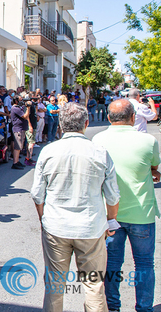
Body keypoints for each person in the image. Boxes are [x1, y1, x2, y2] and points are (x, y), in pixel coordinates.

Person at [30, 102, 120, 312]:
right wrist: (110, 220)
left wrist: (43, 220)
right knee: (94, 284)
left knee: (54, 284)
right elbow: (113, 196)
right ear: (86, 124)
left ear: (60, 125)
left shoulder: (48, 151)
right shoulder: (99, 152)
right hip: (91, 227)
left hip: (56, 227)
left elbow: (37, 194)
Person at [92, 100, 160, 312]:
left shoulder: (97, 140)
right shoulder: (148, 141)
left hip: (110, 213)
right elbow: (152, 166)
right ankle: (145, 308)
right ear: (133, 118)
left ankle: (113, 307)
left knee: (112, 265)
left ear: (109, 118)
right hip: (142, 213)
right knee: (144, 265)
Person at [10, 95, 30, 169]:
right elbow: (25, 116)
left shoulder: (18, 108)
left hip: (21, 128)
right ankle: (15, 162)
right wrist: (28, 108)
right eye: (21, 100)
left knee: (20, 146)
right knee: (17, 146)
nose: (22, 101)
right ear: (16, 101)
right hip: (18, 129)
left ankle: (17, 161)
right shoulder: (15, 108)